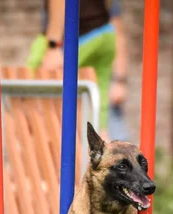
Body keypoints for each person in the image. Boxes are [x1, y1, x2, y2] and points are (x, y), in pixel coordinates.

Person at [26, 0, 131, 142]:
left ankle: (28, 150)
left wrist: (54, 45)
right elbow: (115, 19)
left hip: (76, 36)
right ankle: (105, 155)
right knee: (99, 109)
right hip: (104, 32)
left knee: (25, 94)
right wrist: (120, 79)